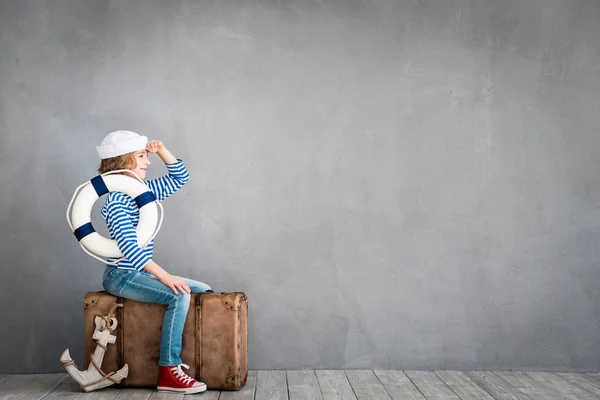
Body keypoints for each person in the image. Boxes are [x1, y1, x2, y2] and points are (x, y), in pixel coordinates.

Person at [97, 130, 210, 395]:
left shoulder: (144, 191)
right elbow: (131, 250)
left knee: (201, 289)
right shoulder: (116, 201)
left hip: (141, 273)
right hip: (121, 275)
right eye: (140, 156)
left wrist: (161, 150)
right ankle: (168, 371)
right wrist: (166, 277)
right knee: (177, 295)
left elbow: (180, 177)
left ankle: (190, 361)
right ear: (122, 161)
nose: (147, 162)